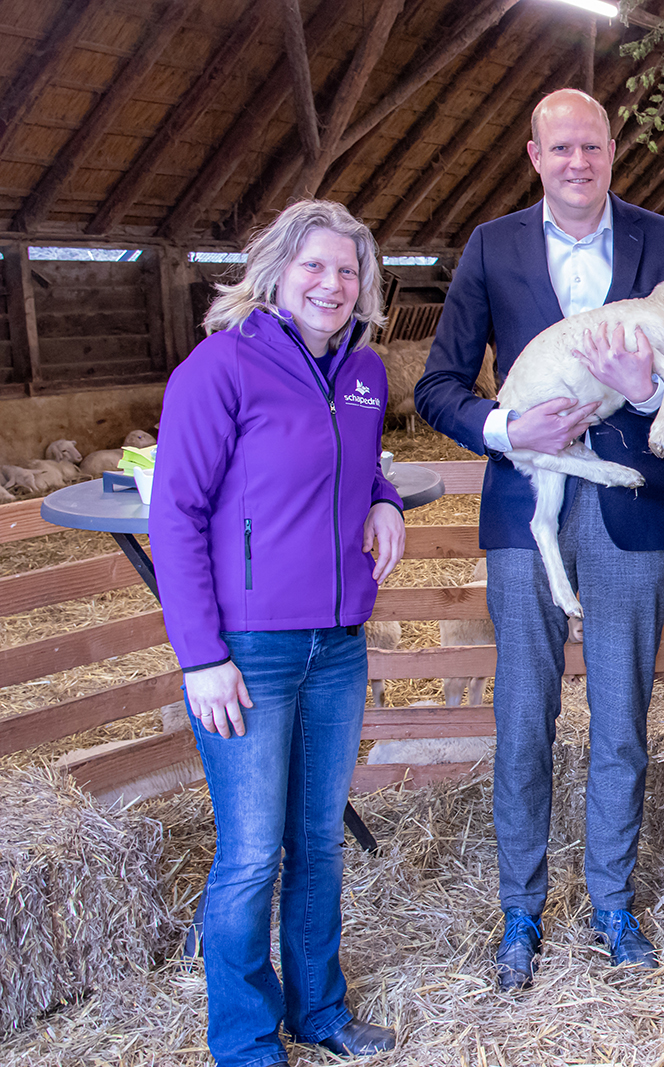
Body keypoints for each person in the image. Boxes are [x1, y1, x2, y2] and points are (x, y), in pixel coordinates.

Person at [413, 88, 664, 988]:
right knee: (522, 717)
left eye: (592, 145)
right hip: (529, 504)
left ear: (612, 151)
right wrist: (508, 429)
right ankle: (521, 910)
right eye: (561, 148)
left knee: (622, 713)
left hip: (635, 501)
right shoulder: (491, 246)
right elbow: (439, 385)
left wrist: (653, 380)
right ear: (534, 155)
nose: (578, 162)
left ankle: (612, 901)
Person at [149, 199, 405, 1067]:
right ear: (276, 270)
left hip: (337, 645)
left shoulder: (364, 372)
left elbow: (362, 463)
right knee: (253, 853)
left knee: (320, 839)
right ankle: (248, 1040)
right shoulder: (220, 368)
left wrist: (385, 497)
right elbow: (175, 513)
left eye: (348, 271)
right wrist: (201, 656)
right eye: (316, 266)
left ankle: (320, 1010)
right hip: (248, 649)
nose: (332, 284)